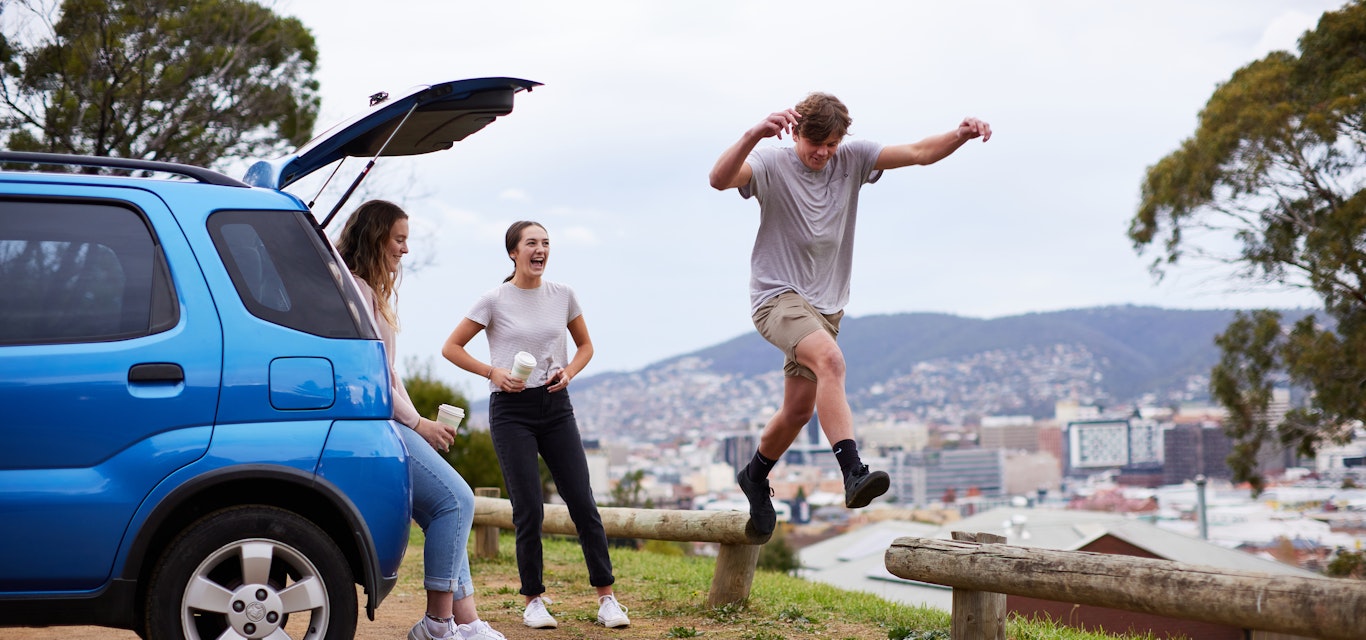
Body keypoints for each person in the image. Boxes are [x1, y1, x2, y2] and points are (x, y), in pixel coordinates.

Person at [708, 93, 992, 536]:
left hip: (826, 308)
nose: (823, 153)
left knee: (797, 412)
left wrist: (961, 135)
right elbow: (719, 179)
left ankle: (755, 476)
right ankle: (853, 471)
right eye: (814, 143)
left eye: (831, 144)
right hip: (776, 298)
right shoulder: (770, 162)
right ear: (795, 133)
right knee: (831, 362)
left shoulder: (853, 159)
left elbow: (919, 152)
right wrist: (753, 134)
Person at [441, 221, 631, 630]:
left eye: (545, 243)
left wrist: (569, 372)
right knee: (528, 508)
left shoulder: (563, 295)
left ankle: (607, 598)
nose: (540, 249)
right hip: (511, 411)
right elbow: (451, 347)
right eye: (532, 243)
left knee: (582, 502)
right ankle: (533, 601)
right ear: (513, 252)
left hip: (556, 405)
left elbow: (586, 346)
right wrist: (493, 372)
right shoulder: (494, 299)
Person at [336, 200, 506, 640]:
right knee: (457, 501)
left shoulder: (366, 290)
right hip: (378, 423)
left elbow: (390, 373)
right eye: (399, 239)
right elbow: (371, 377)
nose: (405, 249)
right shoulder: (356, 291)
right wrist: (416, 425)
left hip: (390, 419)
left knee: (447, 509)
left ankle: (466, 622)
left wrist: (420, 423)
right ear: (375, 238)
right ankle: (437, 624)